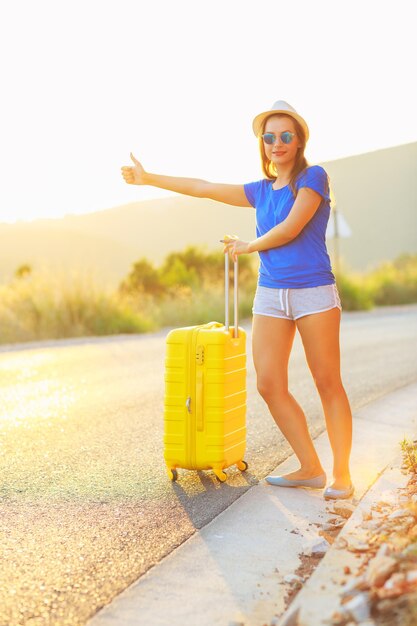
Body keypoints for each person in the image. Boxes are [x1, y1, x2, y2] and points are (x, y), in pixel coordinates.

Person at [121, 100, 353, 500]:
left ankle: (342, 475)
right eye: (269, 137)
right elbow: (203, 188)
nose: (276, 143)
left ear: (298, 142)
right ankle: (311, 467)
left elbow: (291, 228)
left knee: (327, 382)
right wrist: (147, 178)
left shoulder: (313, 178)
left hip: (313, 291)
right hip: (270, 296)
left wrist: (250, 246)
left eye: (285, 136)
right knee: (268, 383)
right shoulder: (260, 190)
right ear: (262, 144)